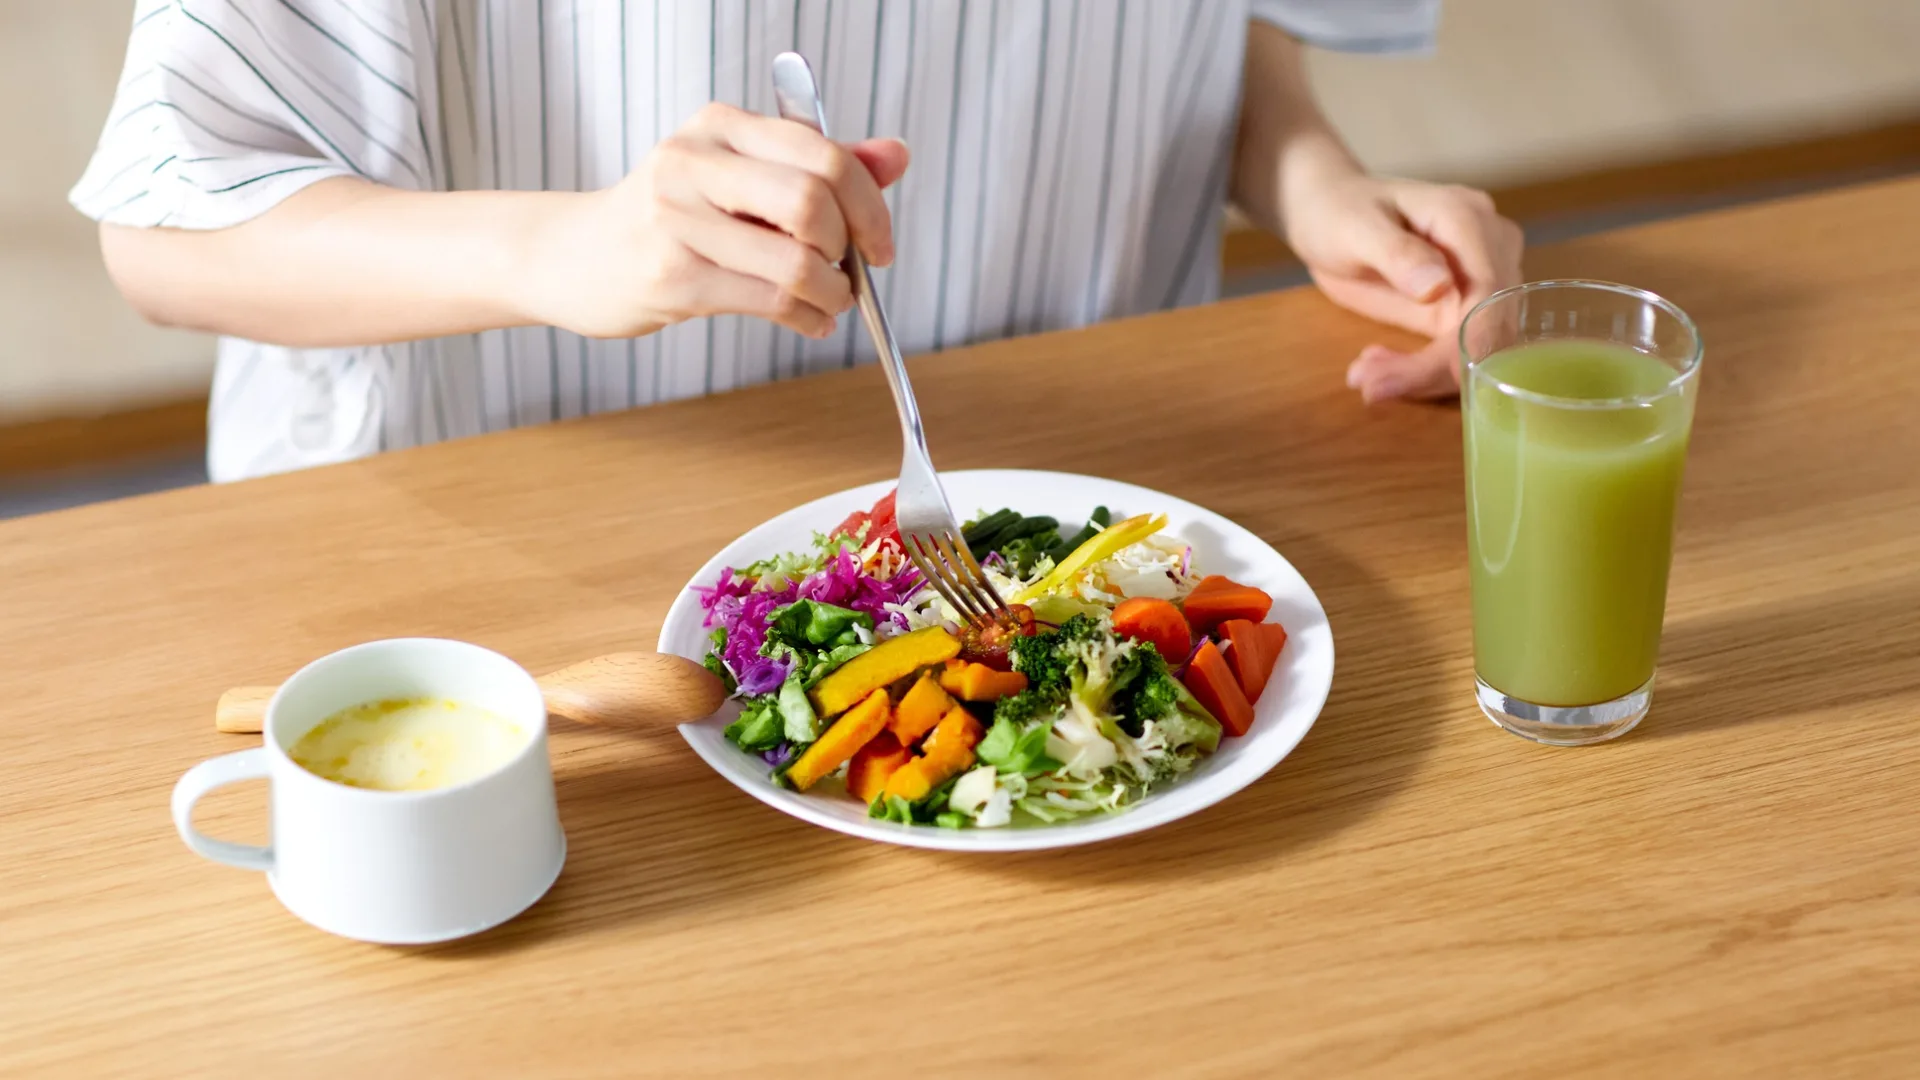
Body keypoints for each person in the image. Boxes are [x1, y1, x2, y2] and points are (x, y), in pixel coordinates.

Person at [73, 0, 1521, 483]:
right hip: (530, 522)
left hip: (1096, 475)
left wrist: (1311, 178)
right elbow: (166, 227)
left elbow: (1213, 30)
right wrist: (561, 251)